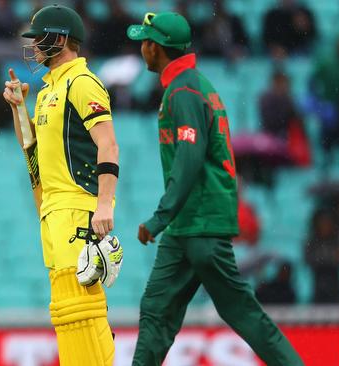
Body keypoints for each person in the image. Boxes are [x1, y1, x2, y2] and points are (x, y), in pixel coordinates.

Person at [126, 12, 303, 365]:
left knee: (242, 312)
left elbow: (189, 158)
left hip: (200, 221)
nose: (141, 47)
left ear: (156, 47)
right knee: (156, 310)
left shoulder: (185, 92)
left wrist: (160, 217)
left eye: (145, 41)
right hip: (189, 224)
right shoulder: (189, 85)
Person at [2, 4, 120, 365]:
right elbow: (33, 150)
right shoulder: (47, 88)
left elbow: (108, 143)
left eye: (41, 38)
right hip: (53, 210)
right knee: (66, 305)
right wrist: (19, 108)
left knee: (79, 304)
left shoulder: (82, 82)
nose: (35, 45)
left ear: (63, 39)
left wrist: (104, 204)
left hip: (77, 205)